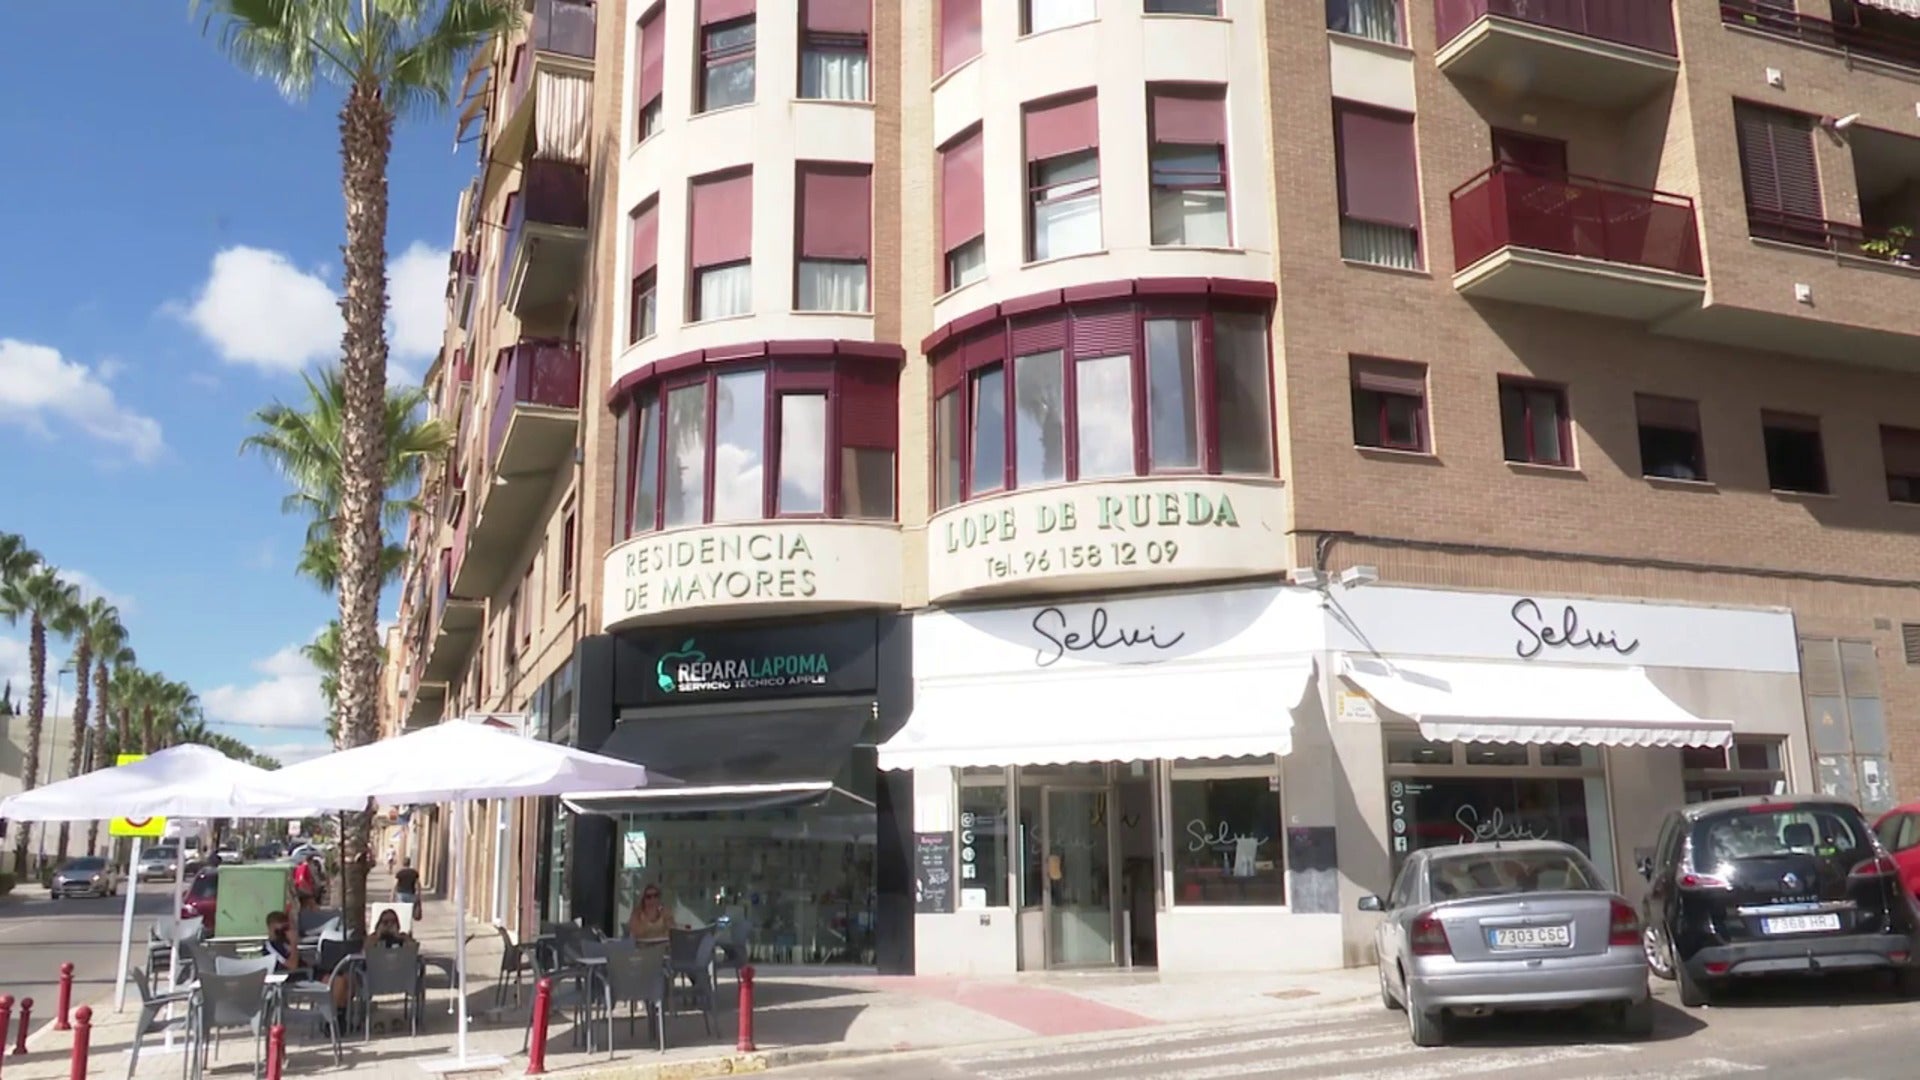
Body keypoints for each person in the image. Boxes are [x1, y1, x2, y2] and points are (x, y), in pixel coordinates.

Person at [265, 910, 351, 1014]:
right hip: (293, 977)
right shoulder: (271, 946)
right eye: (281, 930)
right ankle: (334, 1016)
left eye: (286, 928)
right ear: (271, 929)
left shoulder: (285, 942)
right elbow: (292, 966)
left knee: (348, 977)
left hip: (306, 971)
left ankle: (342, 1013)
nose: (285, 932)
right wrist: (294, 944)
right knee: (338, 982)